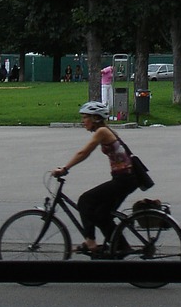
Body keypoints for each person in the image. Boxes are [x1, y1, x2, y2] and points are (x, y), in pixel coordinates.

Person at [51, 101, 142, 255]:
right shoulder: (105, 130)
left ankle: (90, 241)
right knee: (101, 215)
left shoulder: (102, 132)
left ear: (96, 118)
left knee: (85, 201)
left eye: (85, 117)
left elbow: (84, 153)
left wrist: (65, 169)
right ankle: (121, 247)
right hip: (126, 179)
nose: (83, 121)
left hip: (124, 179)